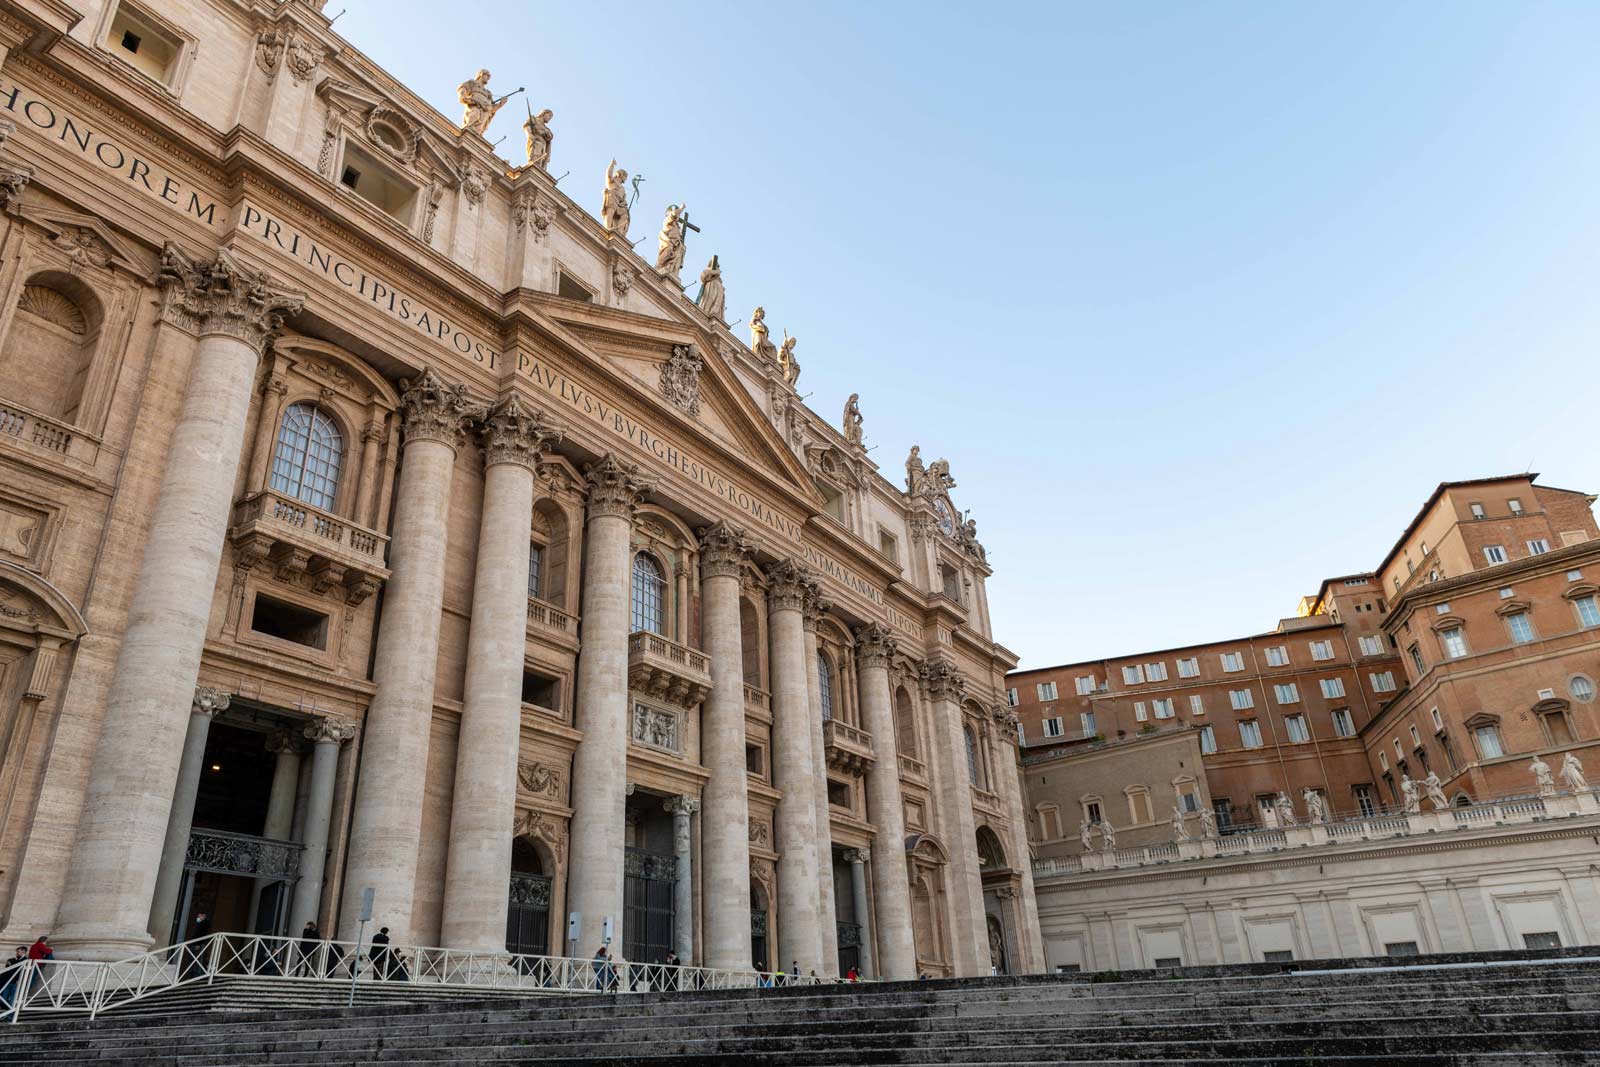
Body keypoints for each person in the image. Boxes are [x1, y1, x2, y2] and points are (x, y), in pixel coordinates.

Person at [180, 914, 208, 980]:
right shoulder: (198, 925)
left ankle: (196, 977)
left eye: (199, 917)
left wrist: (198, 944)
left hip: (198, 945)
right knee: (192, 960)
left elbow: (201, 935)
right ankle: (192, 975)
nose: (198, 918)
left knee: (197, 962)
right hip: (194, 945)